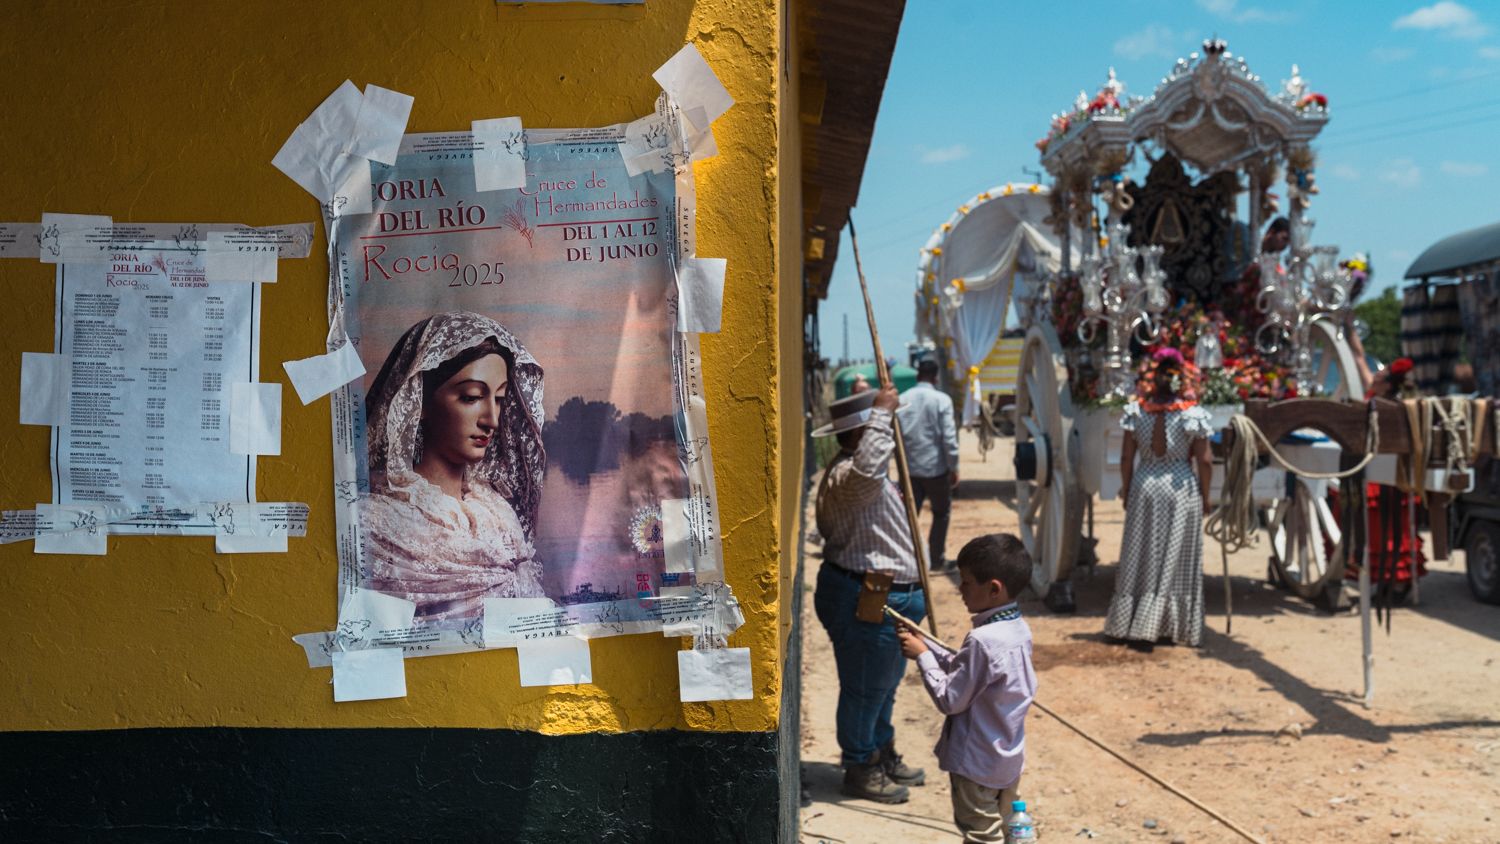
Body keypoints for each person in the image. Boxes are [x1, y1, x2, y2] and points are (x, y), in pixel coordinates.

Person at [361, 311, 548, 622]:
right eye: (471, 397)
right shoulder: (373, 522)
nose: (492, 420)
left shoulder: (499, 516)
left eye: (499, 398)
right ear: (419, 401)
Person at [813, 385, 929, 803]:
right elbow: (866, 474)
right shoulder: (850, 475)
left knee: (883, 685)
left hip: (887, 597)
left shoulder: (863, 473)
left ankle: (879, 751)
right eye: (880, 427)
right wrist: (880, 413)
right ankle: (860, 765)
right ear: (864, 434)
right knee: (866, 687)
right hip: (868, 596)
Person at [897, 534, 1037, 844]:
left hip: (976, 764)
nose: (960, 589)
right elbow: (971, 673)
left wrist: (922, 657)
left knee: (982, 837)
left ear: (994, 589)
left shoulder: (982, 640)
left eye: (966, 582)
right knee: (1008, 832)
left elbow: (951, 699)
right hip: (1006, 760)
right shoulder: (1019, 630)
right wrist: (929, 645)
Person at [1105, 348, 1215, 649]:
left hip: (1145, 484)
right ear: (1181, 380)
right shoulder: (1193, 414)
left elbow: (1126, 457)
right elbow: (1205, 461)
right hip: (1181, 488)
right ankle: (1167, 624)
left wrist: (1127, 489)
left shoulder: (1137, 412)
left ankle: (1132, 621)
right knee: (1177, 557)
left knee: (1141, 554)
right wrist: (1206, 497)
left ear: (1154, 379)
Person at [897, 358, 960, 571]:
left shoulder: (902, 399)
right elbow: (949, 438)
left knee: (907, 516)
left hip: (909, 470)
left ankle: (906, 560)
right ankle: (935, 559)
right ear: (936, 378)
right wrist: (953, 467)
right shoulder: (942, 400)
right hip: (936, 469)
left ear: (918, 376)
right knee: (941, 513)